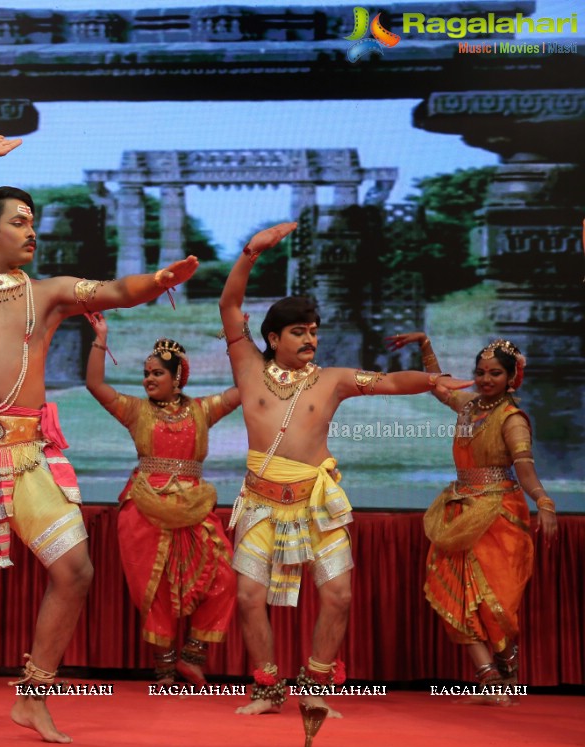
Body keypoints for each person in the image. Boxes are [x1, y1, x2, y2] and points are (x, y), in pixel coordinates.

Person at [0, 134, 198, 743]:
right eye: (20, 223)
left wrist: (158, 279)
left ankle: (34, 694)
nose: (32, 232)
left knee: (76, 569)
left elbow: (115, 291)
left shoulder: (49, 293)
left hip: (25, 455)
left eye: (34, 223)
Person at [218, 222, 469, 716]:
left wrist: (433, 378)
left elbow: (391, 382)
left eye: (314, 331)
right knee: (249, 596)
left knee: (338, 595)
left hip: (315, 502)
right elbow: (229, 307)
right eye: (299, 331)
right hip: (261, 503)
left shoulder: (332, 379)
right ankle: (267, 689)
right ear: (273, 336)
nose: (311, 338)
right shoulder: (247, 367)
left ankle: (314, 687)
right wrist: (251, 251)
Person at [387, 333, 557, 697]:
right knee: (456, 594)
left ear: (512, 377)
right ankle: (488, 676)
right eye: (480, 373)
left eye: (494, 373)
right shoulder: (469, 407)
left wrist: (544, 502)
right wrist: (426, 345)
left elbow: (525, 470)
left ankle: (508, 666)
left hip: (498, 514)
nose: (485, 380)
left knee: (496, 602)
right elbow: (440, 388)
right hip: (460, 511)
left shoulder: (512, 420)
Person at [86, 318, 240, 685]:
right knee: (156, 589)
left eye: (156, 373)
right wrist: (100, 341)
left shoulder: (202, 411)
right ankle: (165, 668)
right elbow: (95, 384)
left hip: (193, 506)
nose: (148, 380)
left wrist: (238, 338)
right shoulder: (136, 412)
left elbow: (243, 389)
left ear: (177, 377)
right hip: (144, 507)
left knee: (224, 577)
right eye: (145, 374)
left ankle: (193, 654)